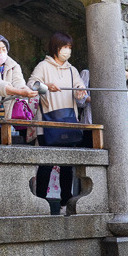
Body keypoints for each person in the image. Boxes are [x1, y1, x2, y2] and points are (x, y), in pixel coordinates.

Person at [28, 32, 88, 213]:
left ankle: (65, 202)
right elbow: (31, 85)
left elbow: (80, 89)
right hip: (48, 121)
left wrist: (80, 91)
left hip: (68, 121)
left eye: (69, 48)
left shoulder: (72, 70)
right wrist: (47, 87)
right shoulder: (43, 66)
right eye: (64, 48)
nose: (67, 51)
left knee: (67, 165)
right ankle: (41, 203)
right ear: (55, 48)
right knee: (46, 163)